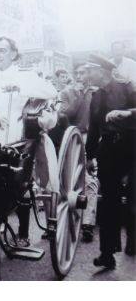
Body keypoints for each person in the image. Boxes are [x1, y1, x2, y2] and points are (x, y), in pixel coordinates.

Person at [0, 37, 57, 247]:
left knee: (19, 183)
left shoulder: (26, 76)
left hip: (16, 137)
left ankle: (22, 232)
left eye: (3, 50)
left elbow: (51, 92)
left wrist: (21, 88)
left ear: (13, 54)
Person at [85, 54, 136, 269]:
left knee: (134, 200)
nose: (86, 75)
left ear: (102, 71)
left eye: (89, 70)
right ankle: (107, 253)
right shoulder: (95, 96)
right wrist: (90, 157)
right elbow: (93, 129)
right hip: (108, 150)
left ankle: (133, 241)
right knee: (109, 202)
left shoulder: (128, 88)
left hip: (132, 147)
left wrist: (127, 113)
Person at [58, 63, 98, 242]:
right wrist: (79, 95)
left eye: (84, 73)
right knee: (70, 180)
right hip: (72, 137)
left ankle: (88, 223)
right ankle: (69, 217)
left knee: (90, 179)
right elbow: (65, 114)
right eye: (78, 73)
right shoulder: (67, 93)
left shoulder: (96, 93)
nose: (80, 76)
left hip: (92, 137)